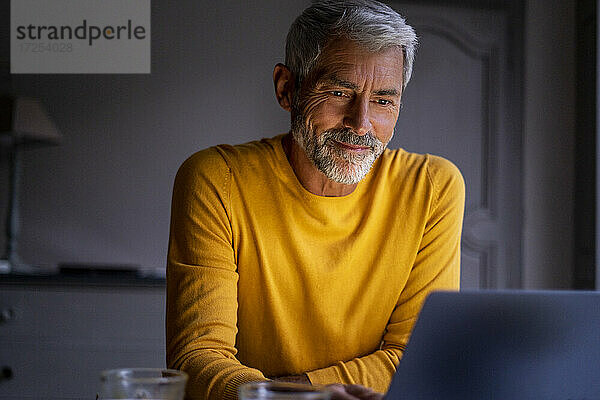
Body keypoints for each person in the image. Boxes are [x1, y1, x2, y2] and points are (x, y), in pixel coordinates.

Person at [166, 1, 465, 399]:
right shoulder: (217, 179)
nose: (361, 123)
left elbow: (419, 357)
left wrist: (290, 394)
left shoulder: (433, 186)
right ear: (287, 89)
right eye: (340, 92)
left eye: (383, 100)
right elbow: (197, 357)